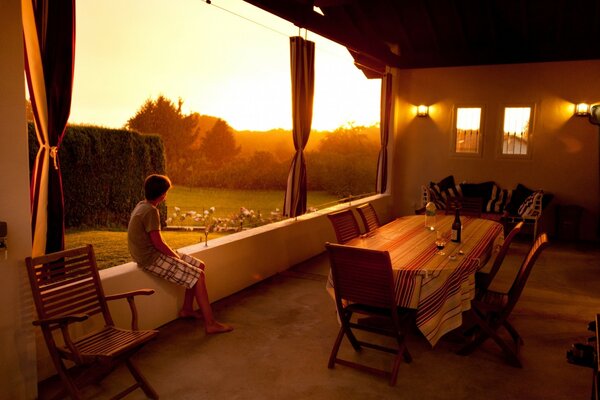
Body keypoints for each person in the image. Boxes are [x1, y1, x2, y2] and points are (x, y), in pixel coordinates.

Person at [128, 174, 232, 334]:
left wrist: (175, 257)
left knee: (199, 265)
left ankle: (187, 309)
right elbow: (158, 243)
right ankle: (210, 324)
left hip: (151, 253)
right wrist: (176, 258)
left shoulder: (142, 205)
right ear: (162, 195)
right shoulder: (150, 211)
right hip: (150, 258)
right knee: (197, 276)